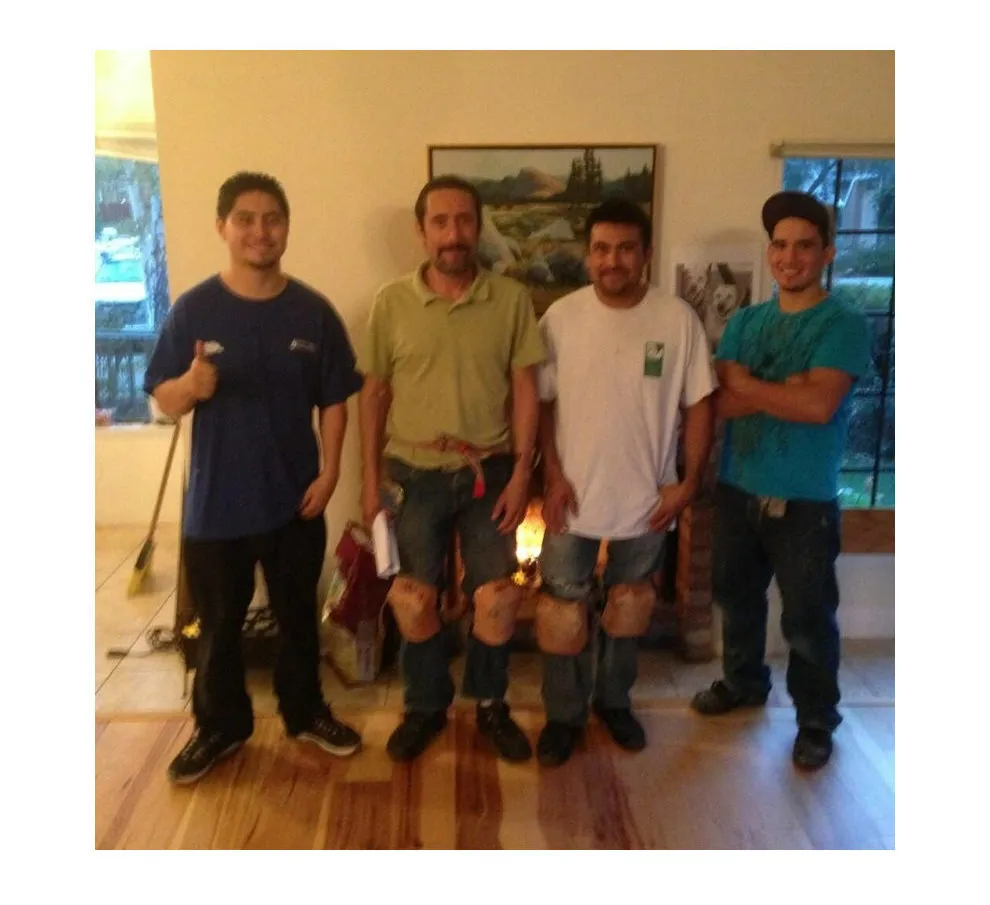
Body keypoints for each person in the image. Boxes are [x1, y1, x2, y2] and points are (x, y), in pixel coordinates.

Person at [144, 172, 364, 785]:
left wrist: (331, 470)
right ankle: (220, 727)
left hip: (296, 500)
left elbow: (337, 398)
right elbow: (163, 395)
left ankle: (304, 713)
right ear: (223, 228)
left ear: (286, 227)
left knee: (299, 620)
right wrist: (188, 387)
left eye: (272, 218)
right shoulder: (194, 309)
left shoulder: (312, 311)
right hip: (216, 508)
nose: (260, 230)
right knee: (216, 630)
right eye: (245, 218)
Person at [358, 175, 545, 763]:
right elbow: (374, 395)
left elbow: (525, 390)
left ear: (478, 225)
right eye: (440, 222)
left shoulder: (511, 300)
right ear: (421, 232)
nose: (453, 234)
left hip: (487, 473)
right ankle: (425, 706)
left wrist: (521, 475)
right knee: (414, 600)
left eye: (464, 220)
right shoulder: (390, 304)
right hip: (412, 474)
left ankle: (490, 704)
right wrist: (367, 481)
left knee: (495, 600)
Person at [690, 191, 872, 771]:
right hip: (738, 485)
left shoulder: (843, 324)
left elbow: (820, 407)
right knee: (736, 599)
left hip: (806, 501)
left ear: (827, 253)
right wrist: (785, 389)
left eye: (804, 246)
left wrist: (756, 388)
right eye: (781, 245)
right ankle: (744, 684)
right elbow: (717, 405)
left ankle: (816, 718)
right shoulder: (745, 319)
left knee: (807, 617)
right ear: (770, 252)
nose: (790, 257)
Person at [534, 199, 716, 766]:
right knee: (562, 616)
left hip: (647, 500)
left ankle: (614, 703)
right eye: (601, 249)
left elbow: (701, 403)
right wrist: (553, 475)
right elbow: (541, 403)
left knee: (629, 608)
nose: (612, 260)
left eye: (625, 248)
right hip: (573, 498)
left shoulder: (677, 320)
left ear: (646, 253)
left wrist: (686, 486)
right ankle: (564, 715)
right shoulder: (559, 318)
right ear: (588, 254)